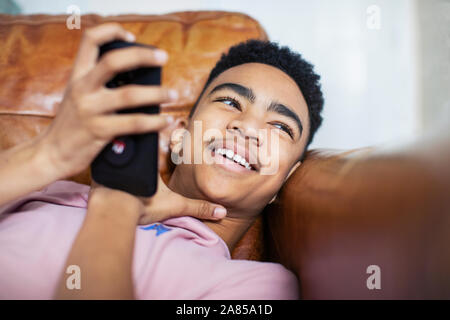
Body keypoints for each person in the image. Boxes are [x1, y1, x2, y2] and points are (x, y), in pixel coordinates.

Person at [0, 23, 324, 299]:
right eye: (229, 101)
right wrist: (46, 154)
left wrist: (118, 198)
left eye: (281, 126)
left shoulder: (256, 288)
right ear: (180, 138)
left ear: (287, 179)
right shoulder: (40, 186)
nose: (249, 127)